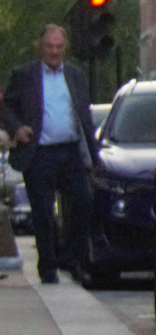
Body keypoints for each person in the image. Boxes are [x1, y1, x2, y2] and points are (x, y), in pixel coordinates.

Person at [2, 24, 100, 285]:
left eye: (58, 47)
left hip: (70, 152)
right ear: (41, 48)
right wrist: (16, 128)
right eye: (49, 47)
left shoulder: (76, 76)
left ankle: (72, 259)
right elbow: (7, 106)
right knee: (43, 214)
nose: (54, 52)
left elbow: (85, 116)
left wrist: (94, 155)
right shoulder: (25, 75)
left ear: (64, 48)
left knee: (83, 202)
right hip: (39, 153)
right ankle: (48, 269)